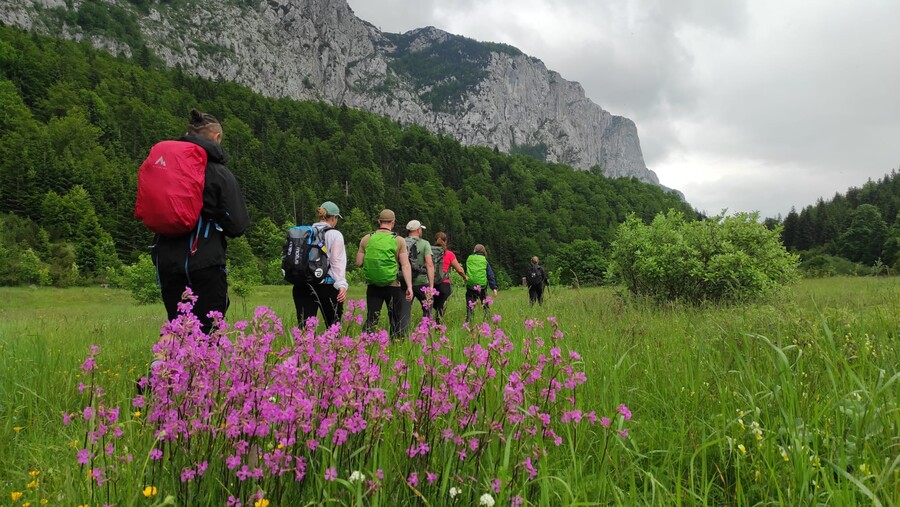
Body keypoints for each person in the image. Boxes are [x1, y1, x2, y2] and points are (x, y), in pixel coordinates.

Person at [152, 109, 250, 334]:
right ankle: (201, 369)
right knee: (208, 331)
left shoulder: (167, 166)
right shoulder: (218, 172)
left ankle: (165, 368)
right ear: (216, 137)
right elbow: (238, 226)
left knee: (177, 332)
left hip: (166, 260)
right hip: (204, 261)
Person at [357, 209, 413, 339]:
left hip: (373, 286)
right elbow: (405, 265)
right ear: (393, 222)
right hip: (393, 285)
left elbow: (359, 262)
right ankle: (396, 346)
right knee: (395, 318)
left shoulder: (367, 238)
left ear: (379, 222)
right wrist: (409, 286)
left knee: (372, 318)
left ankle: (364, 345)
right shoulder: (399, 240)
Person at [292, 201, 348, 328]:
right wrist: (341, 285)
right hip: (326, 286)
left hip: (302, 285)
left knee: (305, 331)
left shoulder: (305, 233)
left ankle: (303, 348)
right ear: (334, 218)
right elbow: (337, 262)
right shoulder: (335, 234)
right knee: (333, 329)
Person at [402, 219, 435, 323]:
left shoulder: (401, 241)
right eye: (421, 229)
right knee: (427, 307)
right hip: (421, 282)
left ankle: (402, 333)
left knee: (404, 311)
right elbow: (429, 264)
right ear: (418, 230)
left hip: (404, 282)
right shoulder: (425, 244)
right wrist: (431, 286)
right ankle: (425, 330)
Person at [431, 232, 467, 323]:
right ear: (445, 241)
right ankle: (438, 327)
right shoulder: (449, 254)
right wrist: (465, 277)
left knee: (430, 305)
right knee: (441, 307)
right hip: (444, 284)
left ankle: (427, 325)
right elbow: (459, 270)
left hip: (431, 284)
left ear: (435, 241)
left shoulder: (429, 251)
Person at [464, 244, 498, 322]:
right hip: (482, 286)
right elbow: (490, 275)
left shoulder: (469, 258)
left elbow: (466, 271)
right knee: (484, 300)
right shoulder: (484, 260)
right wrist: (494, 288)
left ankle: (469, 319)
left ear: (474, 251)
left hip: (470, 285)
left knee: (470, 301)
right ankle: (487, 317)